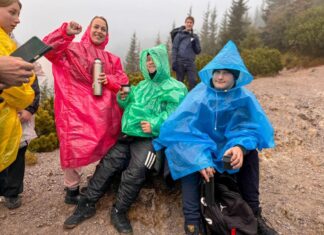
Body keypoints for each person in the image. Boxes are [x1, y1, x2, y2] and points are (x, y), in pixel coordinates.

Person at [154, 41, 278, 235]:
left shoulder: (244, 98)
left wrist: (239, 147)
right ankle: (192, 221)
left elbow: (250, 129)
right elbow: (181, 132)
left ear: (235, 75)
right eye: (216, 71)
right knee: (188, 162)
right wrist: (199, 157)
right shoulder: (198, 96)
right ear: (211, 73)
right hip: (198, 150)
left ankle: (254, 215)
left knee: (251, 155)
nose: (220, 76)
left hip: (224, 152)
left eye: (226, 72)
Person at [63, 44, 188, 233]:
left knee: (137, 170)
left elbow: (175, 116)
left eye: (153, 59)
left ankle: (119, 211)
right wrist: (124, 98)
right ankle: (86, 205)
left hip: (151, 138)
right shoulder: (142, 85)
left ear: (162, 61)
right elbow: (130, 104)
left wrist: (155, 125)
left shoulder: (176, 87)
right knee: (108, 164)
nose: (149, 63)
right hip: (129, 134)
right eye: (147, 59)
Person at [43, 17, 128, 204]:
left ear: (107, 34)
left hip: (103, 113)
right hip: (75, 109)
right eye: (96, 27)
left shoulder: (112, 59)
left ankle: (103, 180)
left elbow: (123, 81)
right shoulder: (72, 49)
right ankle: (71, 190)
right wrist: (65, 32)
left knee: (110, 145)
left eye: (103, 29)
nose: (99, 31)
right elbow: (47, 48)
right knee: (74, 146)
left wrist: (110, 80)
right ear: (89, 29)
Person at [0, 0, 35, 173]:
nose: (17, 20)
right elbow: (22, 93)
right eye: (12, 12)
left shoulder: (9, 43)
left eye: (18, 14)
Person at [0, 75, 40, 209]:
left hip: (18, 117)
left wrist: (29, 109)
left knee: (17, 154)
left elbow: (34, 88)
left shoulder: (23, 61)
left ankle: (12, 193)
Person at [172, 16, 201, 90]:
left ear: (193, 24)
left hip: (190, 62)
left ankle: (190, 100)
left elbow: (198, 51)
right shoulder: (179, 35)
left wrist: (194, 43)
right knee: (179, 83)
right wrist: (174, 62)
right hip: (180, 62)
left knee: (193, 81)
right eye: (187, 22)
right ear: (185, 23)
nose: (189, 24)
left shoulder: (195, 36)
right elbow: (174, 48)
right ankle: (179, 100)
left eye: (191, 22)